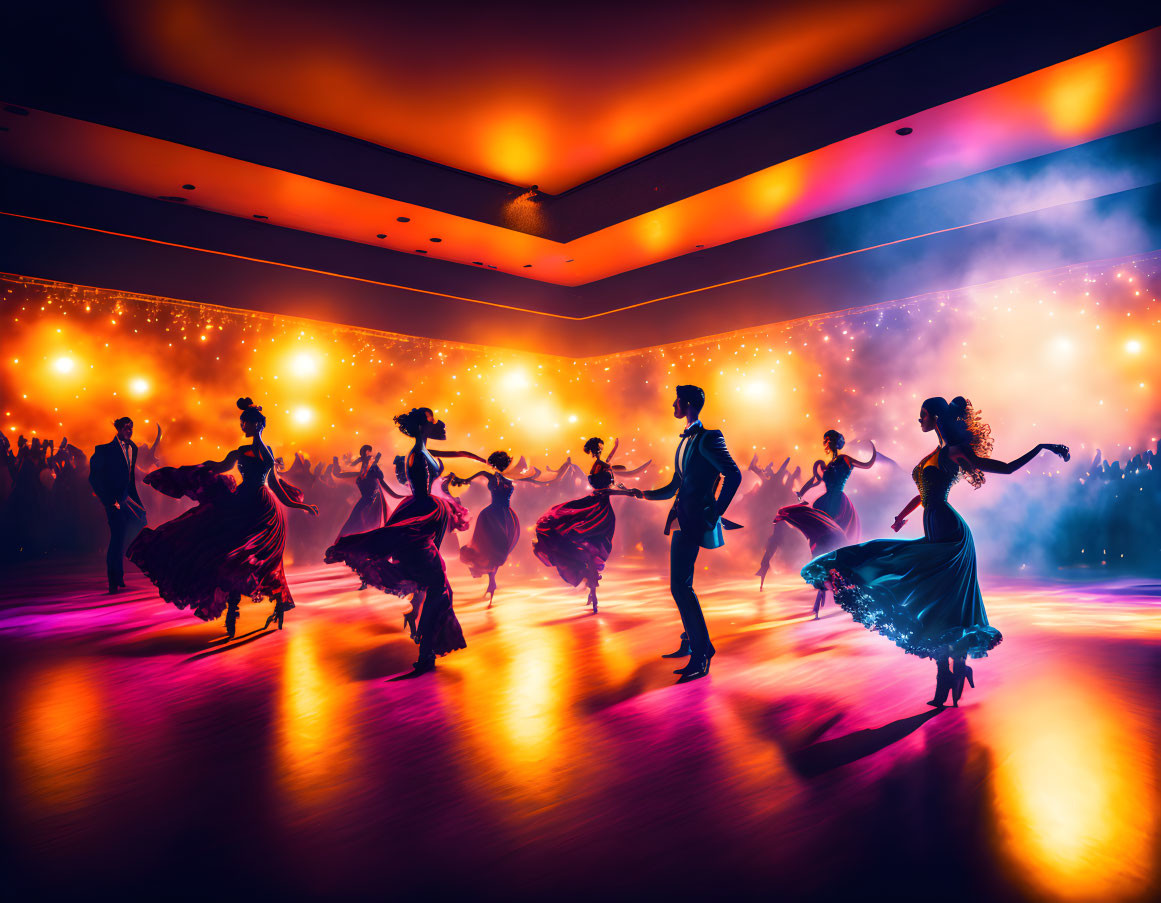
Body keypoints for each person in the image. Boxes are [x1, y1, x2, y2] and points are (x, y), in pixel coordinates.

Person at [802, 396, 1069, 706]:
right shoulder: (937, 452)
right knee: (934, 601)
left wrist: (1042, 448)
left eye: (922, 415)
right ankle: (953, 672)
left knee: (938, 600)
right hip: (935, 531)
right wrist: (903, 516)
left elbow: (1007, 469)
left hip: (950, 537)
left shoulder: (954, 452)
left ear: (936, 417)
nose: (919, 420)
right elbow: (925, 493)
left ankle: (951, 674)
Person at [127, 398, 318, 637]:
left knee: (256, 555)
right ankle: (234, 608)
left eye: (246, 423)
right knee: (229, 551)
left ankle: (272, 601)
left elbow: (275, 485)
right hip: (241, 502)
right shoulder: (239, 452)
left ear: (257, 425)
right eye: (242, 423)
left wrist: (300, 506)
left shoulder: (266, 452)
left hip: (263, 509)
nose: (242, 427)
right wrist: (193, 471)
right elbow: (218, 467)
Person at [326, 408, 483, 675]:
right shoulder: (418, 455)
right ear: (424, 427)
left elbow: (453, 453)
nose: (440, 424)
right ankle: (424, 651)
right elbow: (422, 492)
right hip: (418, 521)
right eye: (433, 421)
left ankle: (424, 645)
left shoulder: (424, 451)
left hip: (422, 521)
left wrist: (479, 460)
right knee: (439, 587)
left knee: (441, 587)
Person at [636, 385, 742, 682]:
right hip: (681, 519)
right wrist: (640, 493)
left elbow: (734, 473)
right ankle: (692, 641)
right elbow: (675, 486)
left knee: (680, 587)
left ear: (687, 403)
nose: (673, 404)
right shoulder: (684, 441)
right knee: (680, 586)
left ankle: (702, 652)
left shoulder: (710, 436)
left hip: (695, 520)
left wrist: (716, 510)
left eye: (677, 400)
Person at [533, 438, 642, 612]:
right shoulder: (600, 465)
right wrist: (626, 491)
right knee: (585, 543)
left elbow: (609, 482)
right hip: (595, 506)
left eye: (598, 449)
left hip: (599, 509)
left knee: (594, 546)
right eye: (595, 450)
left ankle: (592, 590)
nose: (596, 453)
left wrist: (626, 490)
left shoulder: (602, 465)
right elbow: (608, 481)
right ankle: (592, 590)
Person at [775, 430, 877, 616]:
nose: (826, 443)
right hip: (826, 501)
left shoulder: (845, 459)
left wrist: (872, 449)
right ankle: (824, 587)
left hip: (838, 503)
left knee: (833, 544)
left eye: (828, 440)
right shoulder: (828, 465)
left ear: (836, 442)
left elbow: (868, 464)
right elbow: (817, 483)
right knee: (822, 543)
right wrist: (802, 493)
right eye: (824, 440)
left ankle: (837, 588)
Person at [89, 416, 147, 592]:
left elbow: (130, 474)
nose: (129, 431)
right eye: (126, 428)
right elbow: (94, 478)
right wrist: (109, 501)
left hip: (129, 499)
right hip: (114, 501)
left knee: (140, 524)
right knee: (116, 539)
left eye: (132, 428)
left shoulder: (133, 448)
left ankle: (119, 573)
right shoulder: (104, 450)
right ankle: (113, 579)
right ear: (119, 429)